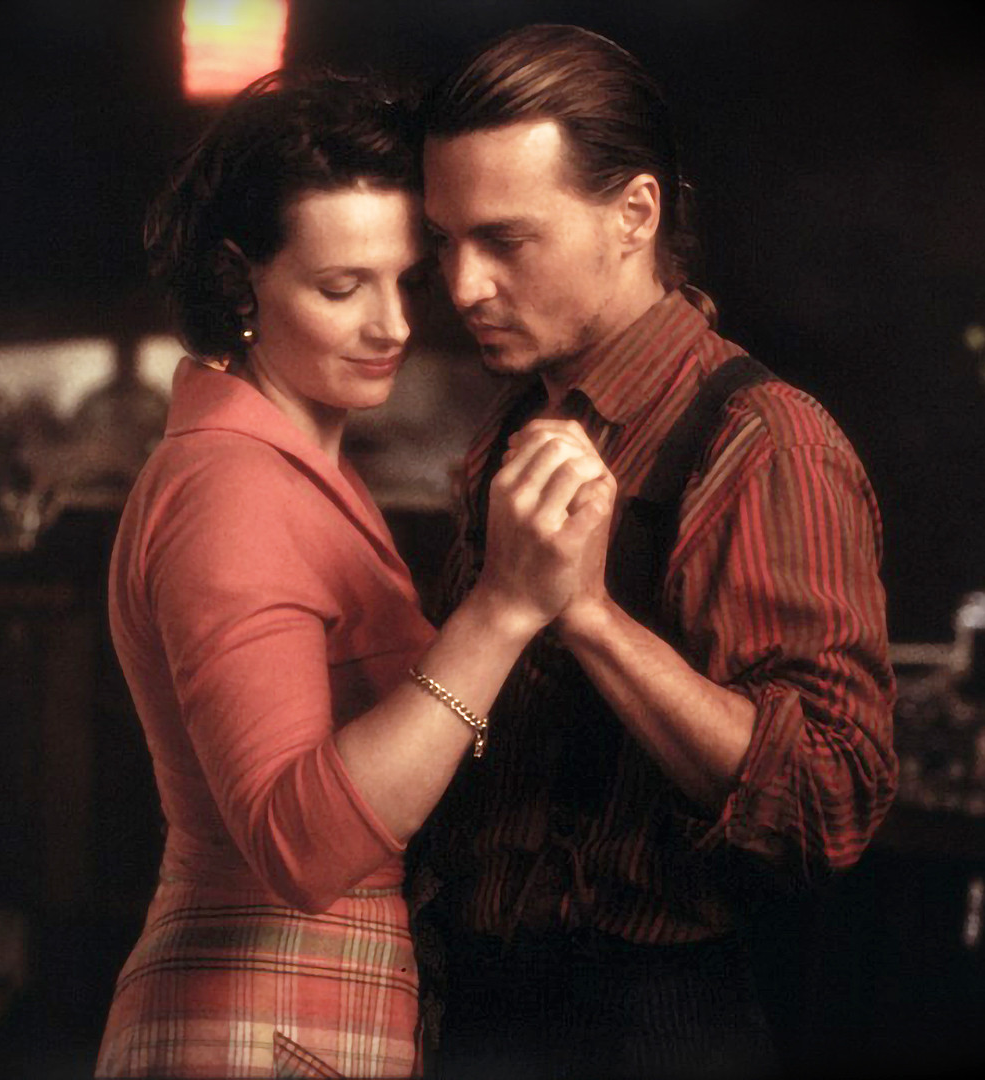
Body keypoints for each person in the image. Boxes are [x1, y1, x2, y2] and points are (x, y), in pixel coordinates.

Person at [95, 71, 617, 1078]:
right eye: (343, 288)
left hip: (297, 1014)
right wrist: (504, 609)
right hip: (261, 1021)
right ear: (240, 282)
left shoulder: (291, 467)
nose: (394, 326)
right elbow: (300, 847)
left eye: (403, 281)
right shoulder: (232, 488)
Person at [407, 25, 899, 1077]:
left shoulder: (766, 441)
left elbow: (833, 801)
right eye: (444, 241)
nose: (463, 285)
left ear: (635, 213)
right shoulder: (509, 432)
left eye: (505, 240)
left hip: (654, 1021)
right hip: (482, 1005)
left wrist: (587, 617)